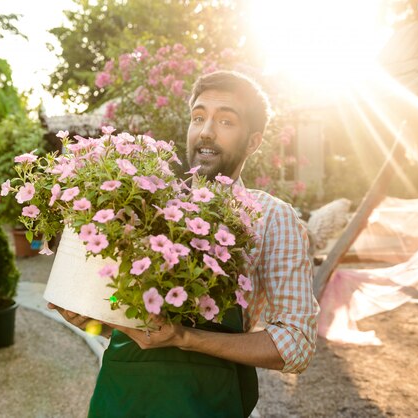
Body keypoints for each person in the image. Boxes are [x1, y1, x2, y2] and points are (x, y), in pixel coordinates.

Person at [48, 70, 319, 417]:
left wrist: (184, 338)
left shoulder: (272, 217)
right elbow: (121, 304)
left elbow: (296, 345)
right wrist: (92, 315)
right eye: (198, 117)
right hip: (121, 398)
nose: (206, 130)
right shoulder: (147, 202)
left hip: (207, 401)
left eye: (225, 120)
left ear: (252, 142)